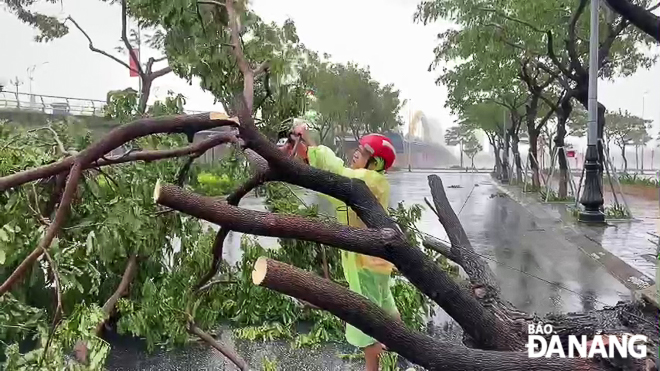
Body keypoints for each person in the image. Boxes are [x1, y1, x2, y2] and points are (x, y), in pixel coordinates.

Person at [280, 124, 399, 371]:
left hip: (365, 264)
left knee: (364, 321)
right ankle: (401, 347)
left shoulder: (371, 181)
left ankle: (383, 355)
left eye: (363, 152)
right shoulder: (361, 182)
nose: (356, 153)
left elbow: (337, 172)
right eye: (358, 148)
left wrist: (312, 146)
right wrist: (306, 148)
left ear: (375, 163)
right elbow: (330, 180)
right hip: (373, 263)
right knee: (385, 306)